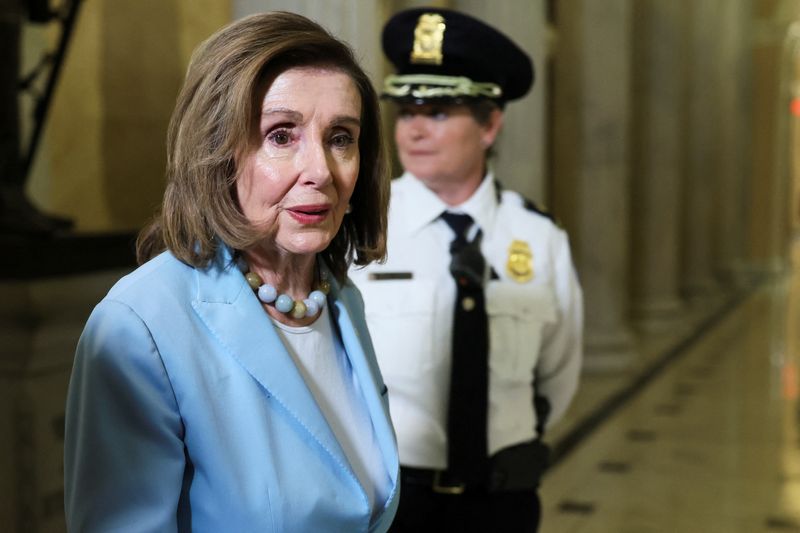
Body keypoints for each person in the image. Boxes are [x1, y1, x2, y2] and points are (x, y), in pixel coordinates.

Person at [64, 11, 400, 532]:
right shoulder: (138, 326)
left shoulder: (337, 296)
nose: (320, 171)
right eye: (281, 135)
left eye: (340, 138)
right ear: (217, 152)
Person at [349, 7, 583, 532]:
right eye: (406, 110)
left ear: (490, 123)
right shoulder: (361, 228)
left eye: (438, 111)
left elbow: (558, 373)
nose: (413, 129)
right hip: (393, 500)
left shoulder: (539, 237)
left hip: (504, 501)